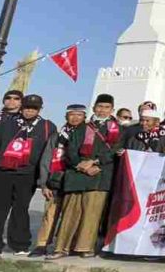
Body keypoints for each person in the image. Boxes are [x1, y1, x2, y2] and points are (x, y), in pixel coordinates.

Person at [0, 94, 55, 257]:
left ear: (40, 109)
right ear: (22, 107)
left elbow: (49, 154)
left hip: (27, 176)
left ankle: (20, 244)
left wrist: (42, 179)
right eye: (26, 107)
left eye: (33, 108)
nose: (29, 111)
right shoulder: (7, 124)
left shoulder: (48, 127)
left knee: (21, 210)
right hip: (1, 173)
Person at [49, 98, 115, 259]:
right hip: (77, 175)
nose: (103, 110)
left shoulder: (117, 129)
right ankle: (61, 248)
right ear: (94, 108)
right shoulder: (81, 128)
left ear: (112, 110)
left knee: (92, 214)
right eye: (100, 107)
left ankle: (85, 247)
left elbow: (115, 149)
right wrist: (80, 165)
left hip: (100, 175)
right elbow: (70, 150)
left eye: (107, 107)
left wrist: (95, 162)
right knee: (70, 213)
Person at [30, 104, 81, 257]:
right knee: (50, 214)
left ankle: (65, 245)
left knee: (71, 216)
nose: (75, 118)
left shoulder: (87, 135)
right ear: (66, 116)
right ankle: (42, 244)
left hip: (74, 181)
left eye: (79, 115)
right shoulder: (57, 135)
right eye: (72, 114)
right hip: (55, 180)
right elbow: (46, 160)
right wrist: (44, 184)